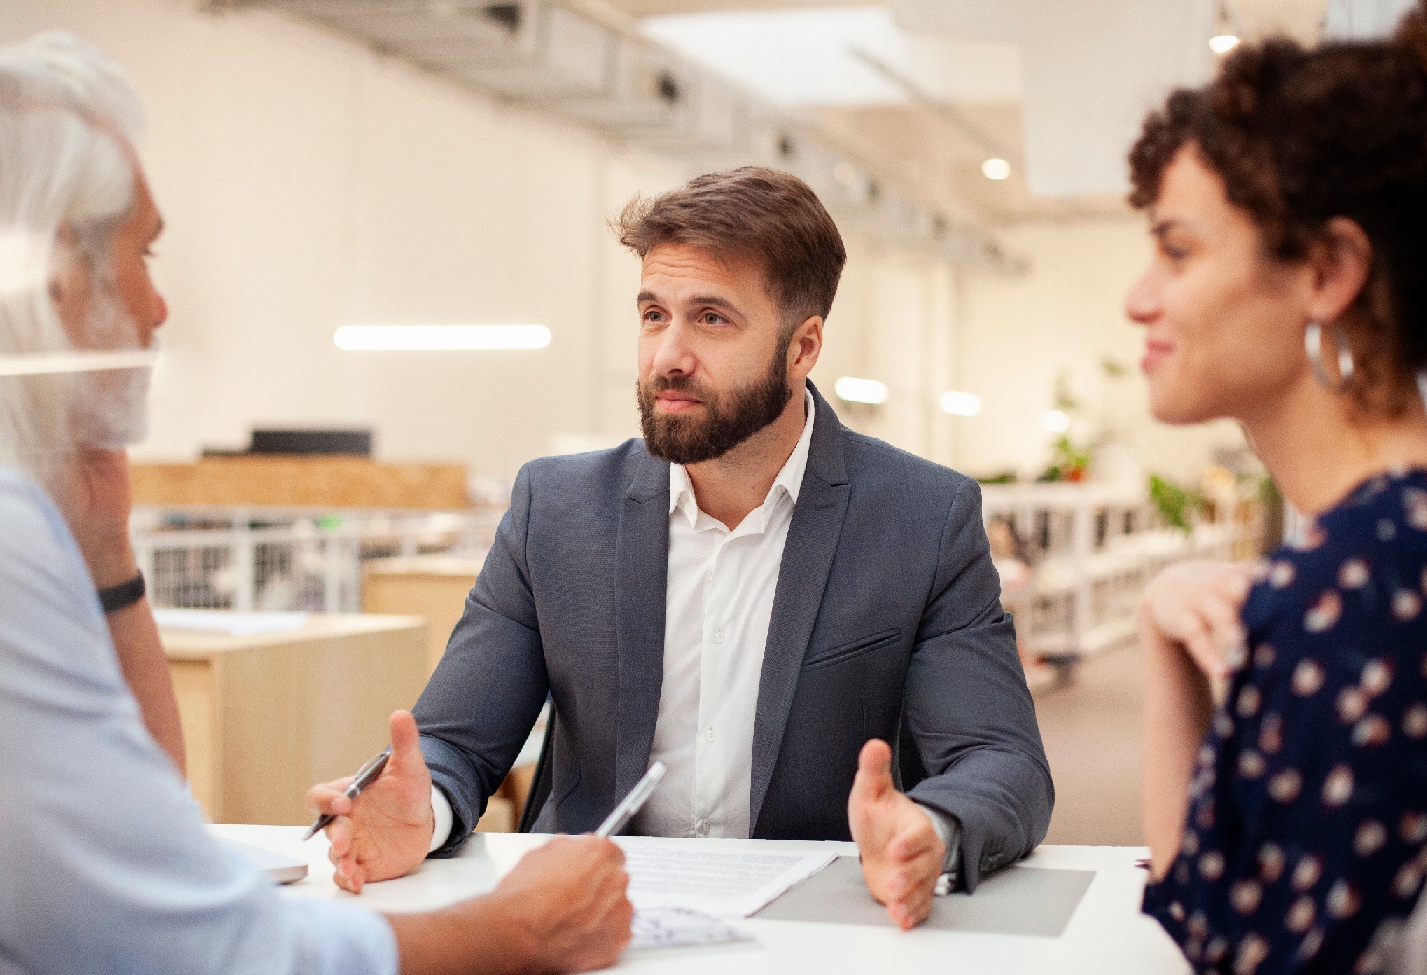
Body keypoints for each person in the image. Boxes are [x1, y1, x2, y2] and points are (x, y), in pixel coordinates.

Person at [0, 34, 633, 975]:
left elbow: (146, 836)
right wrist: (521, 923)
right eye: (141, 254)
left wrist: (105, 548)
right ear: (56, 272)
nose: (158, 304)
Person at [312, 166, 1054, 928]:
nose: (668, 355)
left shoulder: (920, 519)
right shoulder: (556, 511)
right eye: (653, 314)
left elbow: (1002, 762)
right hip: (584, 934)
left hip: (814, 943)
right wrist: (424, 807)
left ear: (802, 349)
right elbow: (455, 743)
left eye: (711, 319)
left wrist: (931, 828)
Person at [1126, 6, 1427, 975]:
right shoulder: (1369, 554)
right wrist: (1162, 631)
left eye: (1176, 249)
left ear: (1326, 271)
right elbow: (1215, 917)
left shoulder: (1363, 587)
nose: (1139, 296)